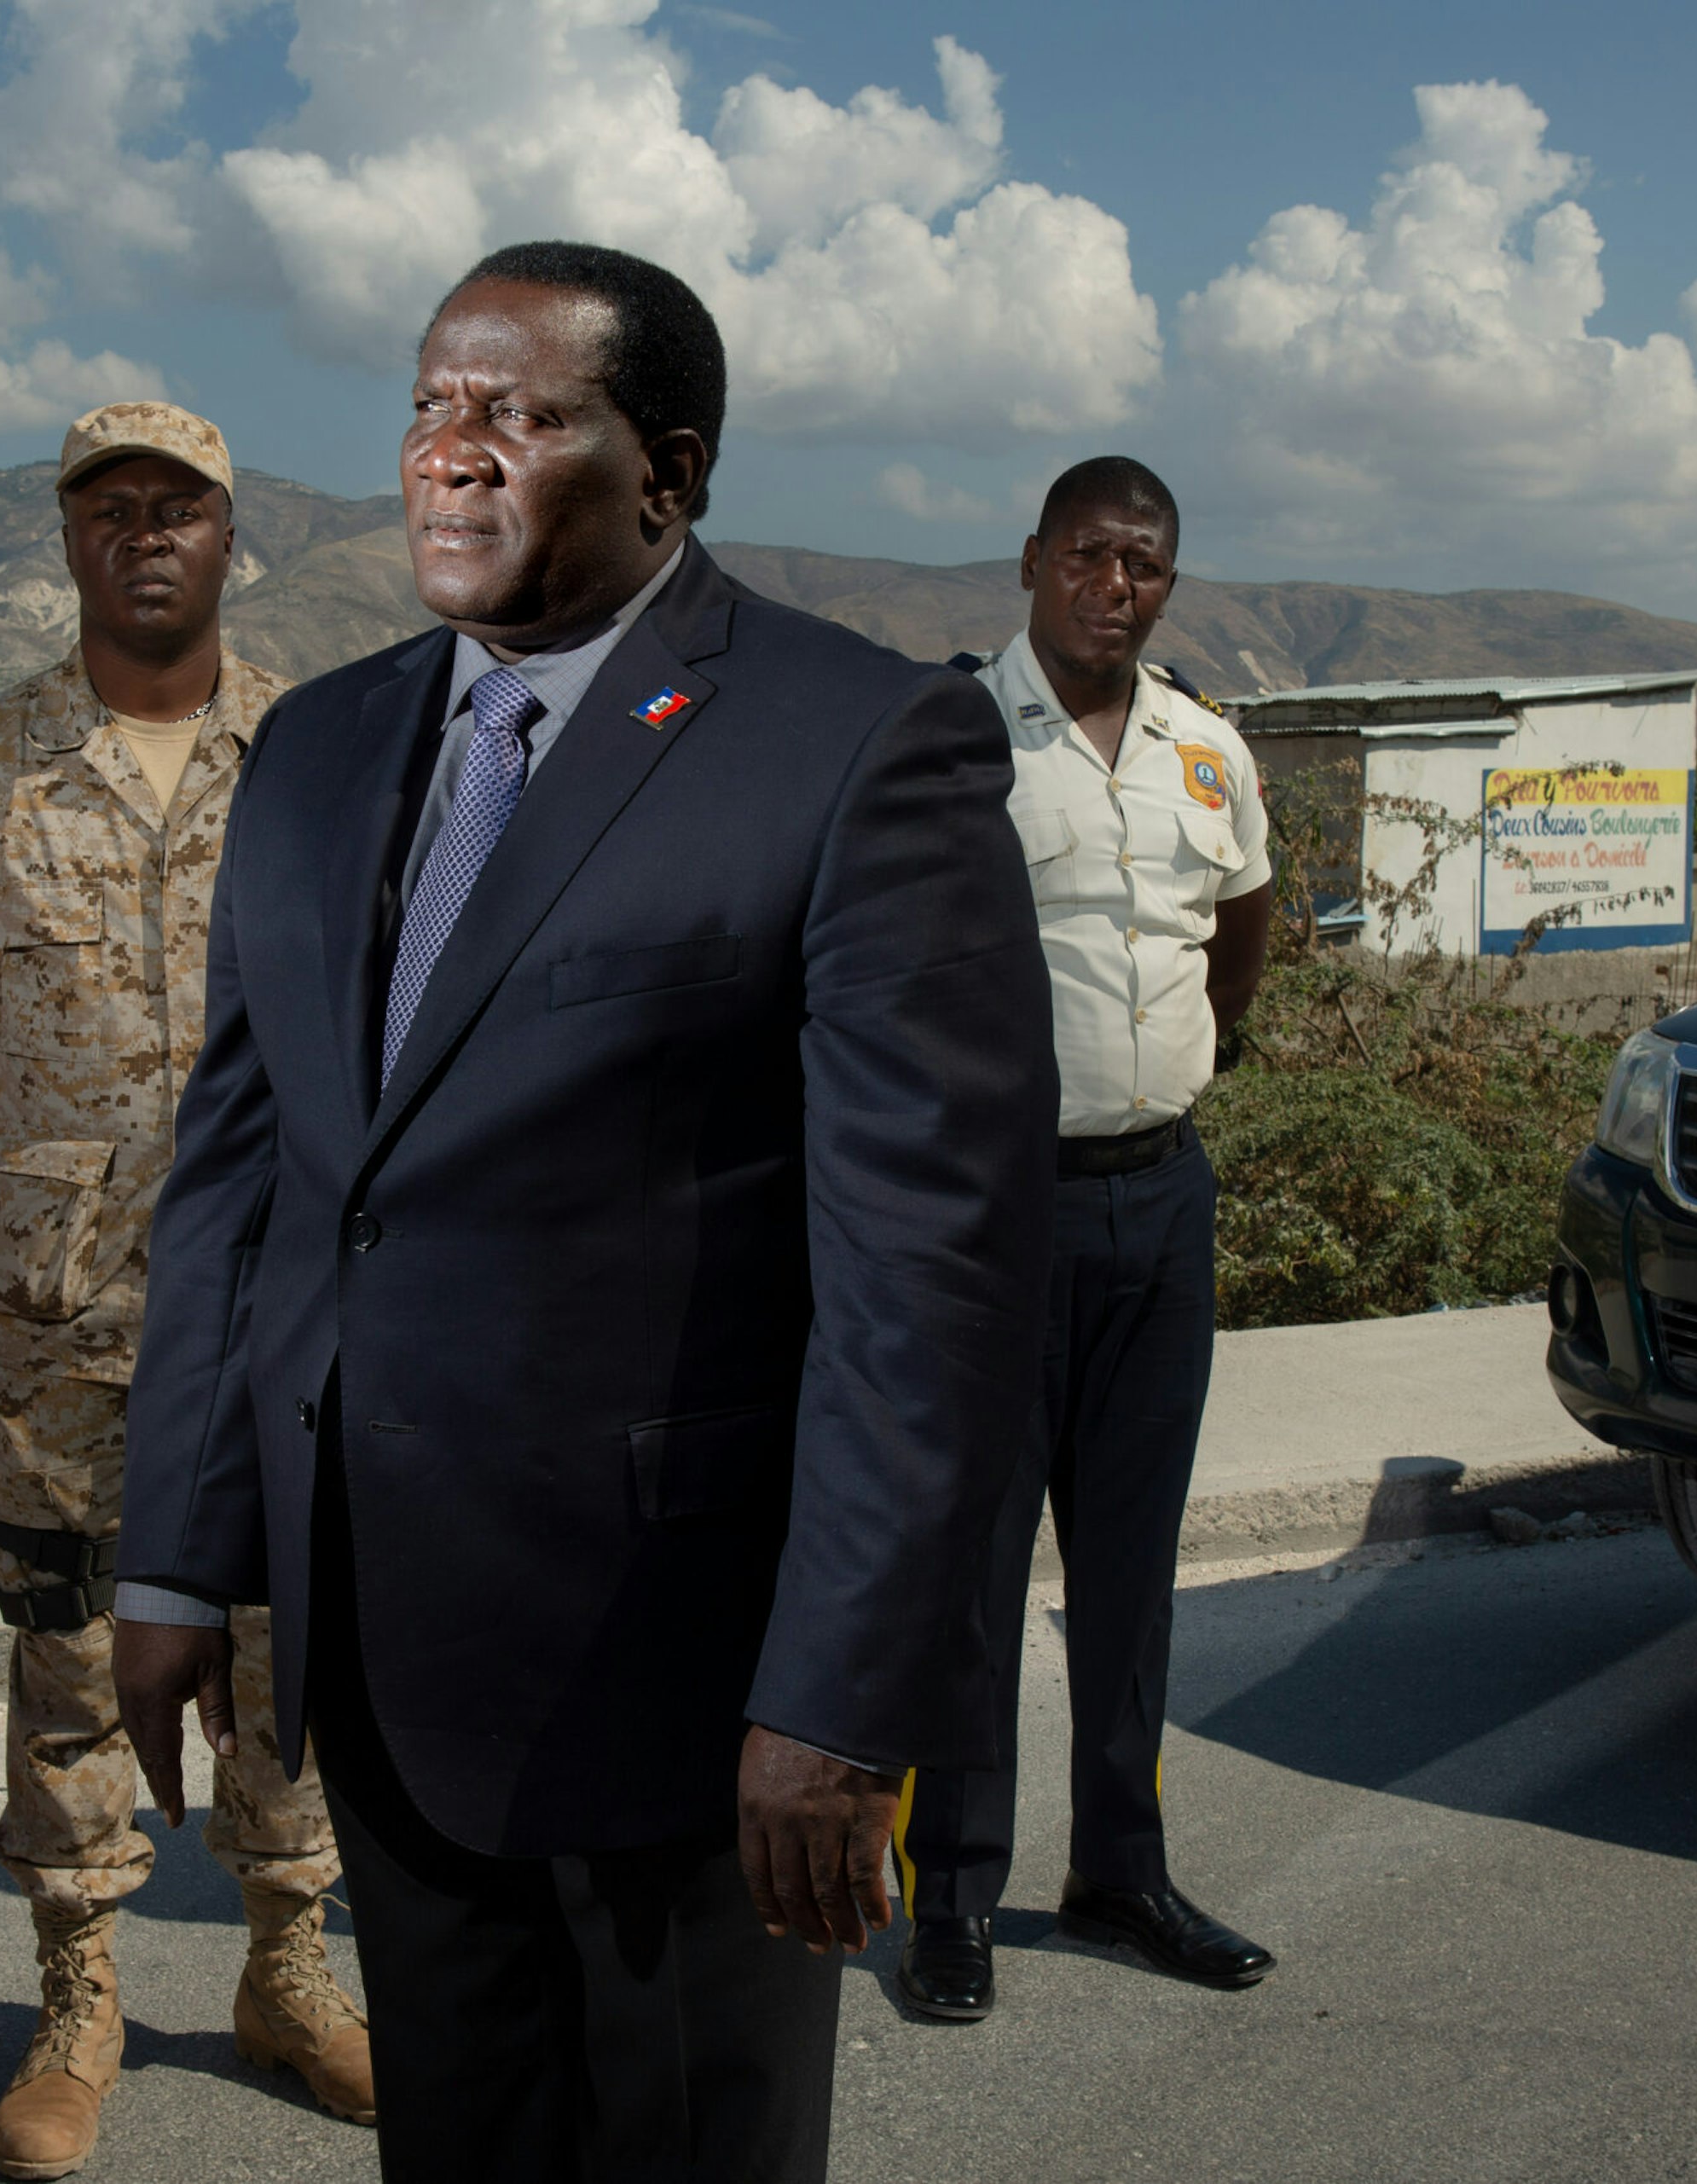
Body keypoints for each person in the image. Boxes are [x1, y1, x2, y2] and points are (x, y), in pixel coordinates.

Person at [111, 241, 1056, 2183]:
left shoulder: (858, 745)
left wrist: (839, 1696)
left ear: (668, 472)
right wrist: (176, 1559)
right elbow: (248, 1182)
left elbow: (930, 1276)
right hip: (385, 1661)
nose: (454, 456)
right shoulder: (317, 750)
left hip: (689, 1698)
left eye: (523, 416)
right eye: (431, 407)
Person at [0, 400, 374, 2181]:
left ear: (233, 536)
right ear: (69, 540)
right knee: (71, 1642)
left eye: (182, 508)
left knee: (286, 1637)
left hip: (287, 1291)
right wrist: (18, 1178)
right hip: (63, 1308)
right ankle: (79, 2001)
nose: (147, 534)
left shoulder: (324, 754)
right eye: (111, 509)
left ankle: (289, 1975)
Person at [891, 455, 1281, 2025]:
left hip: (1160, 1201)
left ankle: (1121, 1865)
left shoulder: (1209, 747)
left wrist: (1194, 1054)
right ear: (1035, 560)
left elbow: (1242, 927)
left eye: (1145, 568)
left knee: (1133, 1564)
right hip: (1000, 1211)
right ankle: (953, 1892)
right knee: (975, 1567)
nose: (1116, 588)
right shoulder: (954, 736)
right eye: (1092, 558)